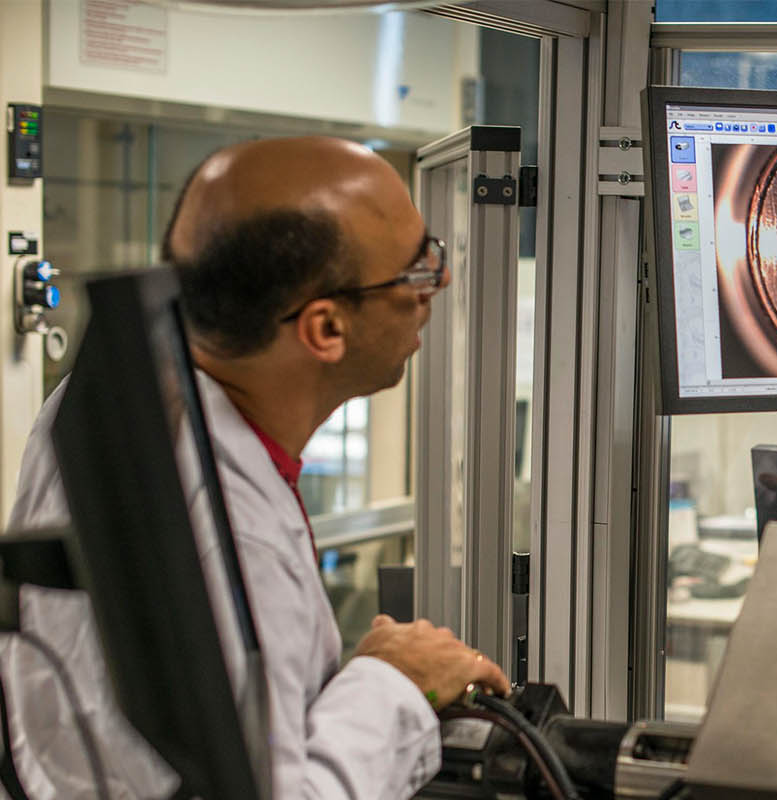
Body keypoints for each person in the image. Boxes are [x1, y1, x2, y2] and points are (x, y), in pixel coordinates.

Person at [0, 137, 508, 798]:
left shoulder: (117, 395)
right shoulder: (229, 535)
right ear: (325, 329)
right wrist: (395, 681)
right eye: (418, 269)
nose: (438, 282)